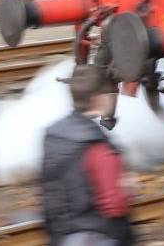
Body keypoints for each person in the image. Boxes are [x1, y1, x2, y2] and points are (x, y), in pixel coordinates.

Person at [41, 65, 133, 246]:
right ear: (98, 99)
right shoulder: (97, 145)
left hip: (62, 236)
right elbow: (114, 204)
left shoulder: (52, 135)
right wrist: (127, 190)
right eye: (109, 93)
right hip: (98, 237)